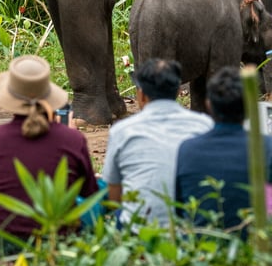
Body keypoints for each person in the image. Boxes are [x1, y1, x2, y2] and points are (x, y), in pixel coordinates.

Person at [0, 55, 99, 243]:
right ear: (48, 94)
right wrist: (70, 137)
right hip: (56, 240)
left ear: (10, 97)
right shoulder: (73, 140)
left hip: (0, 240)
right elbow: (89, 193)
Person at [102, 58, 213, 229]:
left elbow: (114, 196)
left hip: (137, 229)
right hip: (191, 229)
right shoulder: (204, 125)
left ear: (141, 94)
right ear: (177, 91)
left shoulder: (122, 131)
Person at [175, 66, 272, 235]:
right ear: (250, 107)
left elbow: (179, 209)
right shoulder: (266, 147)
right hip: (255, 246)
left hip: (202, 249)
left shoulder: (187, 150)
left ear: (209, 104)